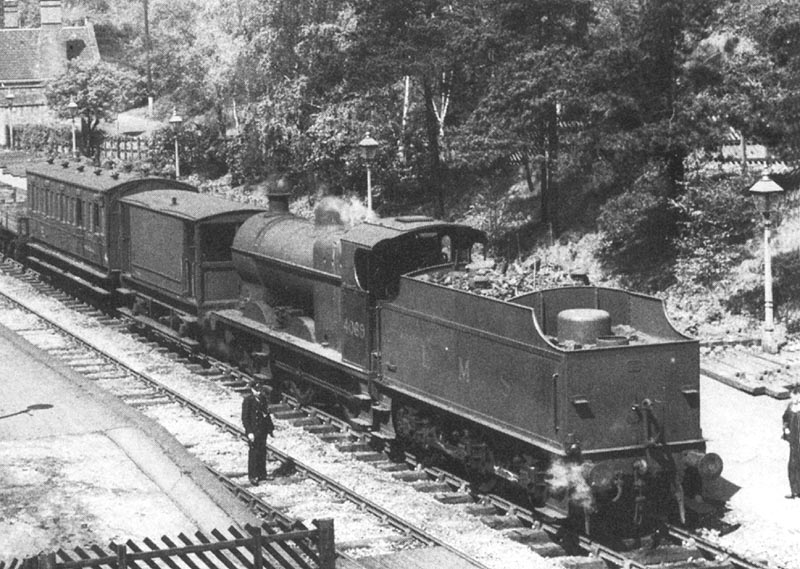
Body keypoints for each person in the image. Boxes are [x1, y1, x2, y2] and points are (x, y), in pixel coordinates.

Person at [242, 380, 275, 486]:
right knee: (253, 453)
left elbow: (266, 415)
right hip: (254, 431)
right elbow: (245, 418)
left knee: (262, 452)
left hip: (262, 430)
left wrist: (270, 429)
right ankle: (253, 475)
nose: (259, 393)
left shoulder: (263, 399)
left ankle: (262, 474)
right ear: (252, 390)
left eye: (260, 390)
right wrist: (249, 432)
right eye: (257, 390)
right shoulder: (248, 401)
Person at [782, 385, 800, 499]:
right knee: (792, 465)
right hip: (793, 441)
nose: (792, 399)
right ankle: (795, 491)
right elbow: (784, 418)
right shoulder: (790, 406)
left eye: (794, 397)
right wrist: (786, 428)